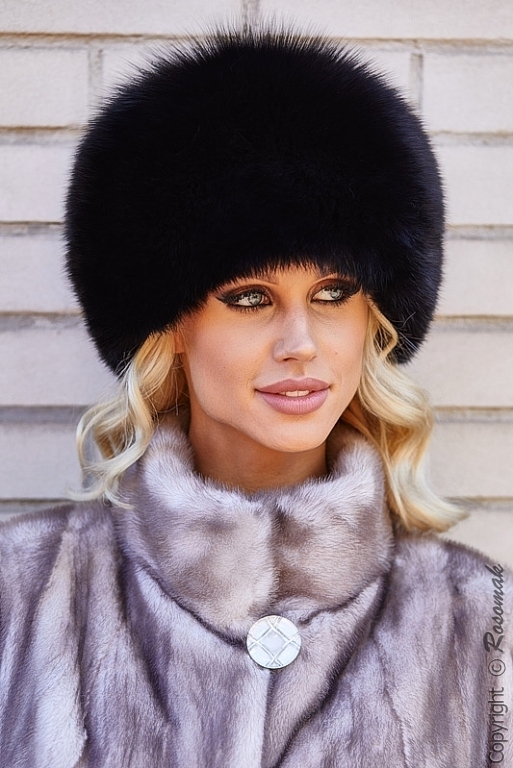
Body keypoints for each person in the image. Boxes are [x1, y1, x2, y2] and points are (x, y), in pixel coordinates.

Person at [0, 20, 512, 768]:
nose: (300, 341)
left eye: (333, 292)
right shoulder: (24, 597)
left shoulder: (479, 622)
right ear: (171, 326)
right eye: (249, 298)